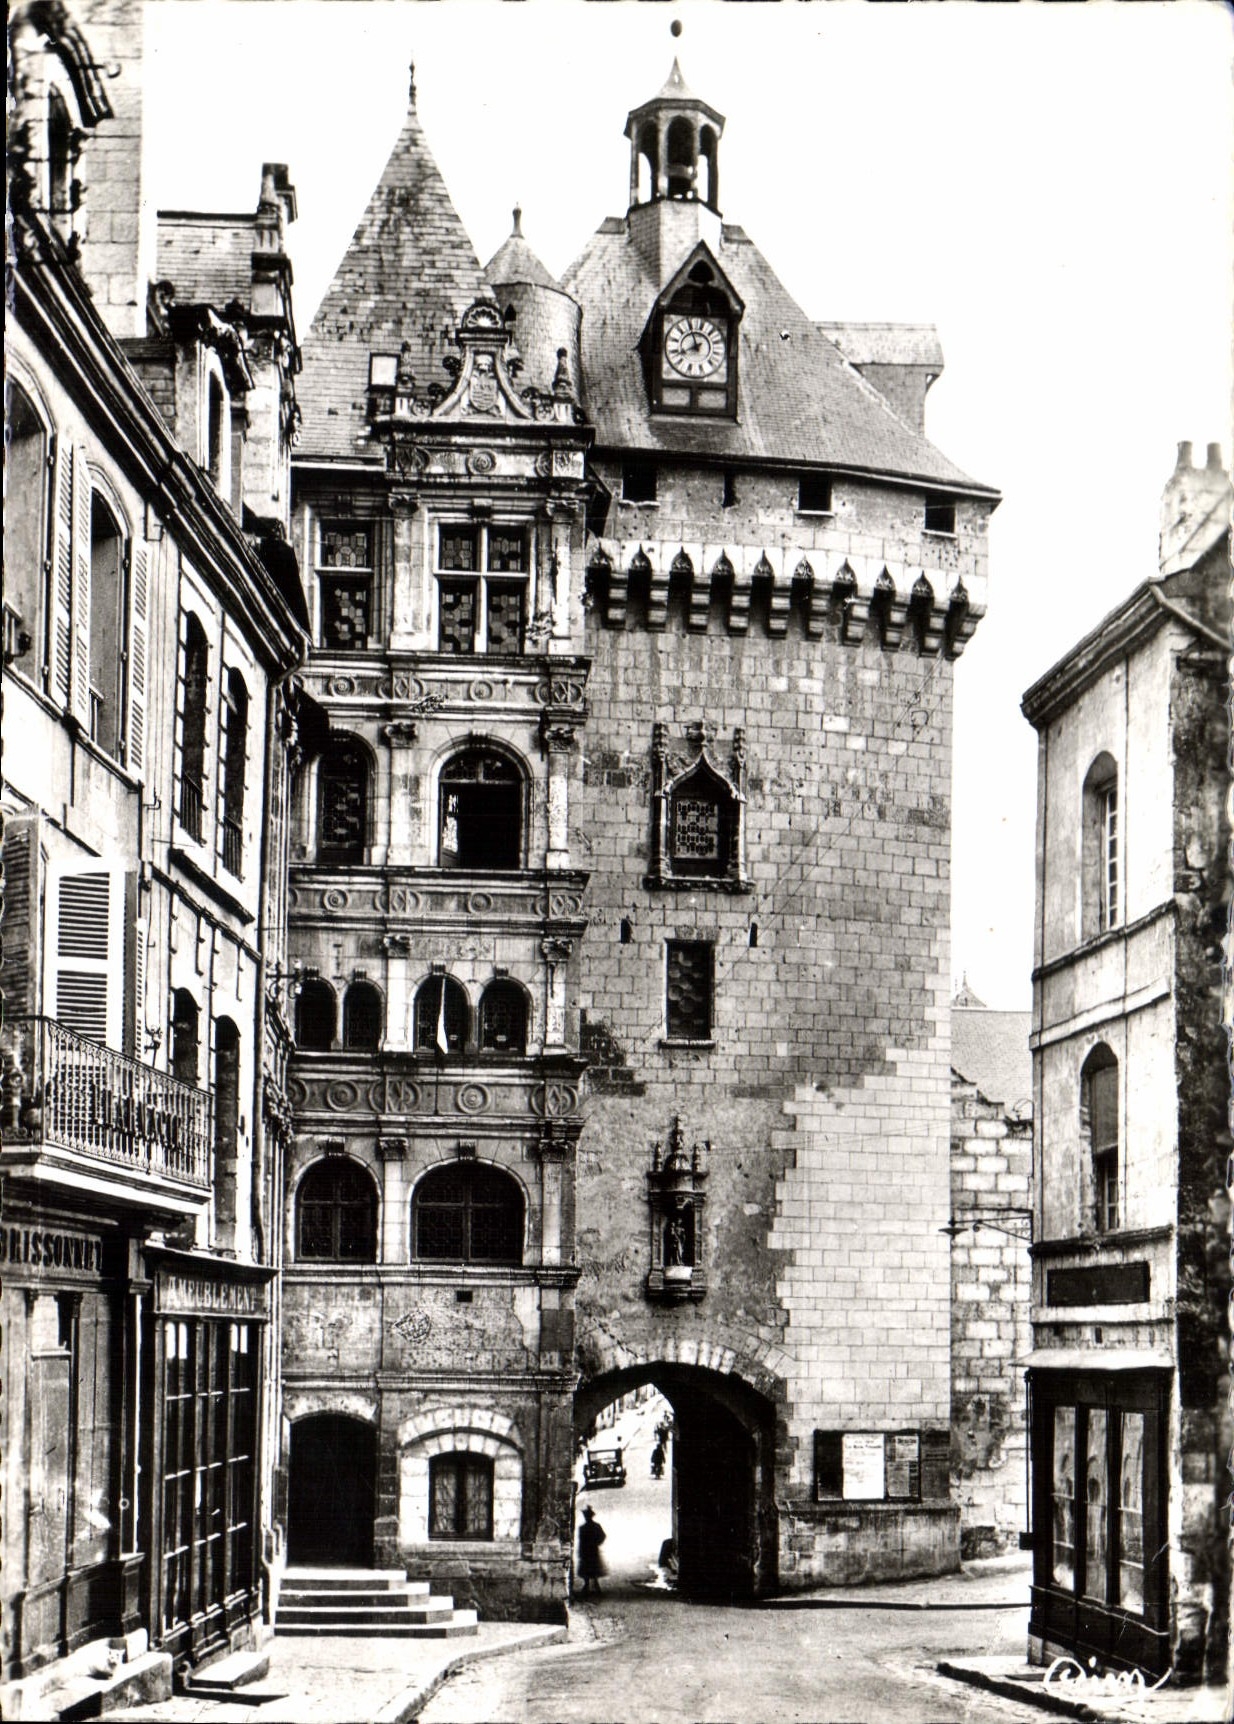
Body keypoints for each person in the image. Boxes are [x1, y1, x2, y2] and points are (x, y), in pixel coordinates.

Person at [576, 1505, 606, 1598]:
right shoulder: (595, 1526)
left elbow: (602, 1536)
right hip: (591, 1550)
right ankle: (593, 1586)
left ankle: (588, 1586)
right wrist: (597, 1543)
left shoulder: (583, 1528)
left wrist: (596, 1543)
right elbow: (602, 1536)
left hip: (587, 1550)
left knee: (588, 1568)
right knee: (592, 1568)